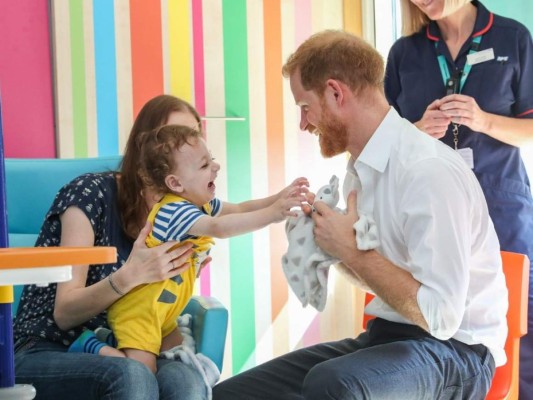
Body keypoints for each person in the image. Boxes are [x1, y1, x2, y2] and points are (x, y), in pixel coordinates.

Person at [212, 30, 508, 400]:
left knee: (333, 384)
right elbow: (385, 280)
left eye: (305, 108)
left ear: (336, 93)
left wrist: (352, 250)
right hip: (391, 337)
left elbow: (441, 318)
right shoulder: (361, 168)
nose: (303, 124)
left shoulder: (427, 171)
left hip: (459, 353)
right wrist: (329, 245)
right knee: (232, 395)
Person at [12, 94, 274, 400]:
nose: (188, 145)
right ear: (145, 148)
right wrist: (130, 276)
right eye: (174, 137)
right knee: (133, 377)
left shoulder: (181, 211)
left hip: (123, 341)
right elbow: (65, 313)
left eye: (194, 137)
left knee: (186, 383)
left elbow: (238, 213)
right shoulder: (89, 193)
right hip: (46, 345)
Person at [68, 124, 309, 375]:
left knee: (180, 360)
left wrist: (279, 197)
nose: (216, 167)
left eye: (212, 160)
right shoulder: (174, 210)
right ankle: (95, 345)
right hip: (140, 312)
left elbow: (239, 209)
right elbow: (219, 228)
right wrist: (273, 214)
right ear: (175, 182)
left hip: (165, 309)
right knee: (143, 373)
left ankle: (111, 341)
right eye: (205, 165)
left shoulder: (200, 204)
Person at [383, 1, 533, 397]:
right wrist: (417, 129)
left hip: (503, 204)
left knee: (520, 316)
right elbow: (383, 145)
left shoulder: (513, 38)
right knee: (433, 315)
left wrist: (483, 121)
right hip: (428, 209)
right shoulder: (404, 53)